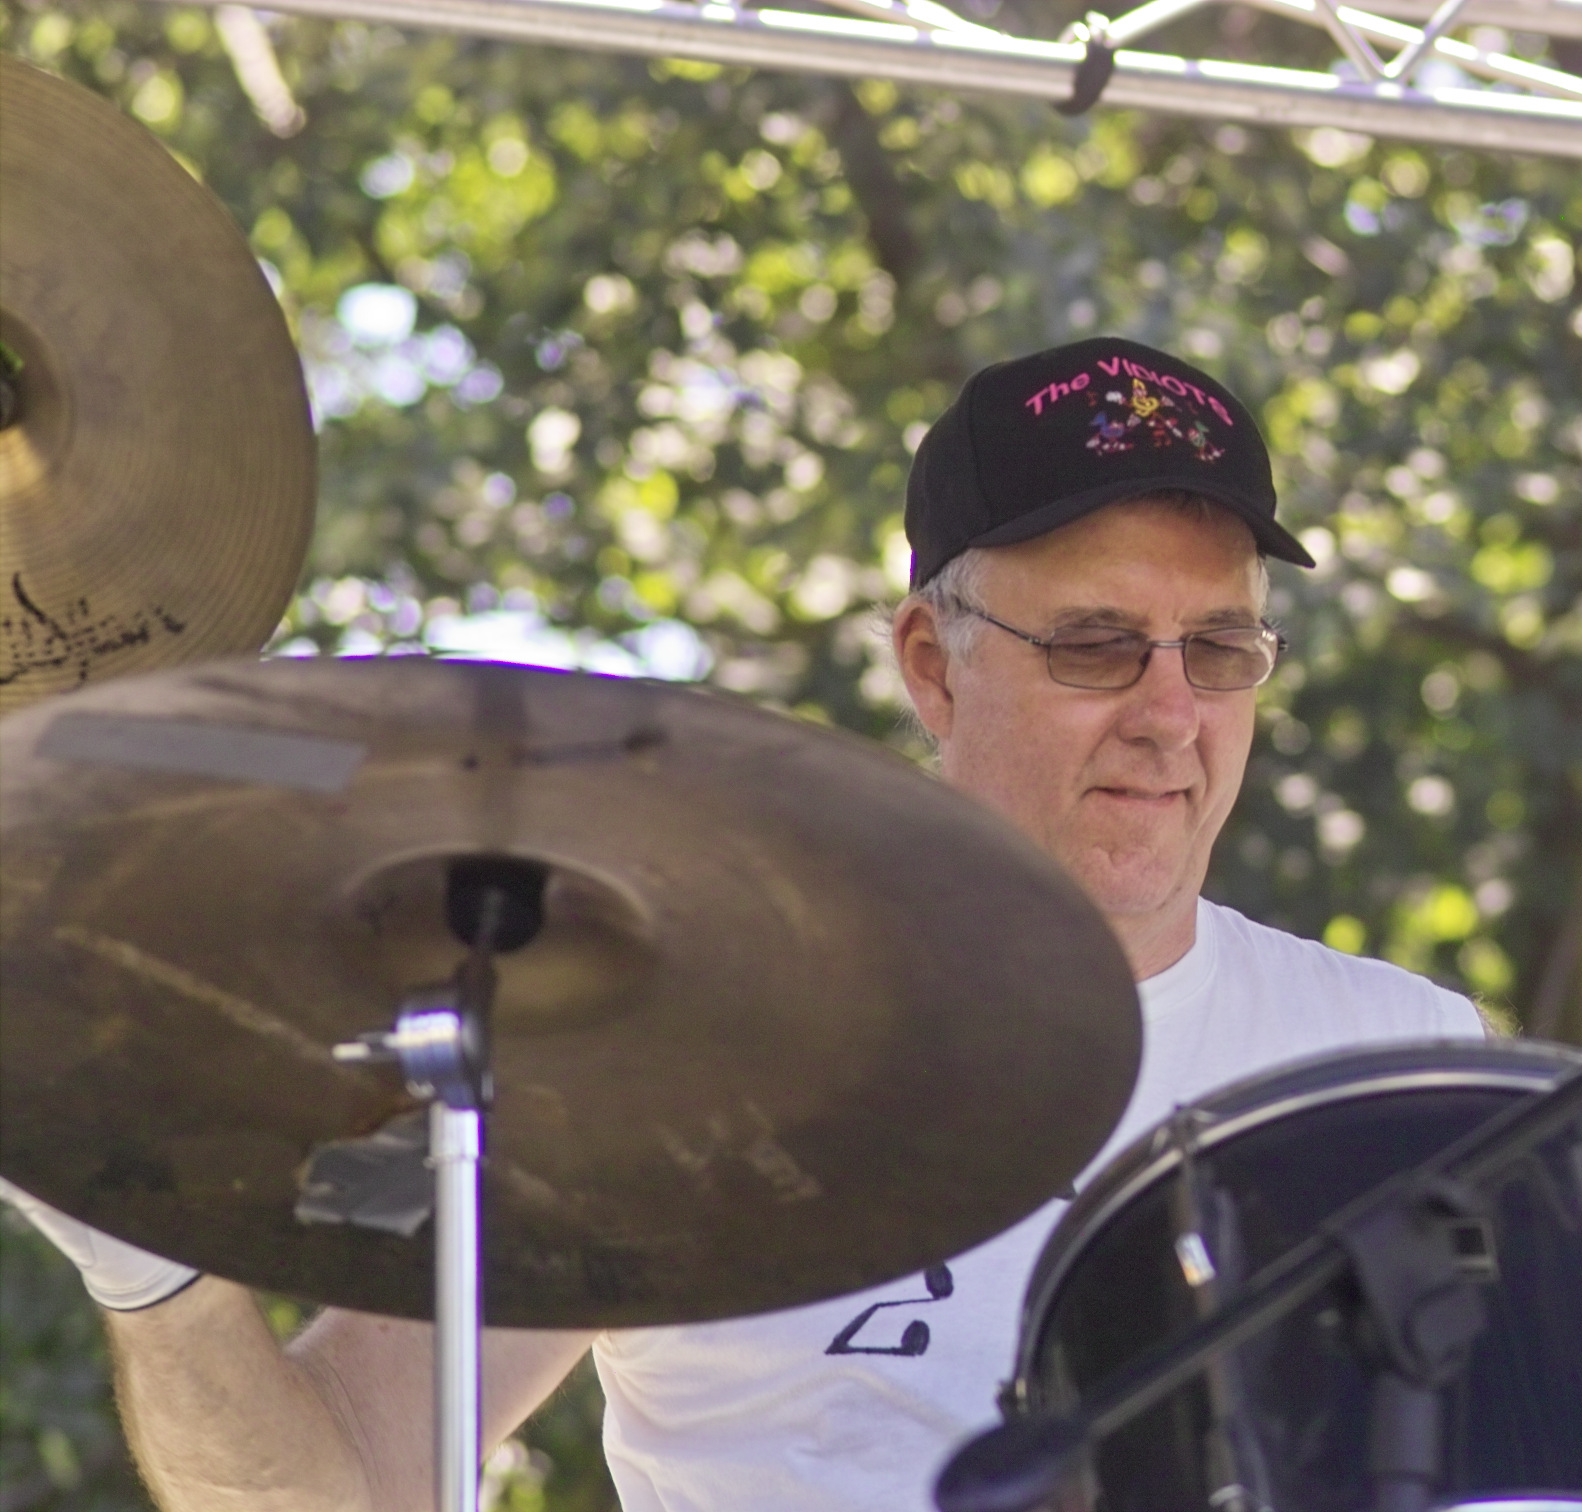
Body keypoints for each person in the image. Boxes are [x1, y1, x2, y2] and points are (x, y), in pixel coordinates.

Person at [0, 336, 1486, 1512]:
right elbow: (346, 1486)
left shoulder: (1407, 1063)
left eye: (1219, 649)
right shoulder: (665, 1045)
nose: (1171, 714)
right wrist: (158, 1284)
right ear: (932, 663)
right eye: (1097, 645)